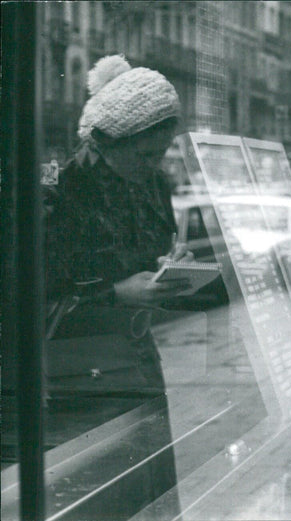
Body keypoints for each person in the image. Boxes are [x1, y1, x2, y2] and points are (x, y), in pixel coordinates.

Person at [44, 55, 189, 517]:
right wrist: (114, 294)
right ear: (107, 141)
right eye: (146, 153)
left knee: (151, 495)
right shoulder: (59, 192)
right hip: (77, 382)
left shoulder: (152, 183)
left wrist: (172, 266)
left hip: (138, 367)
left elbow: (153, 250)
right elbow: (28, 303)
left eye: (163, 150)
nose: (156, 163)